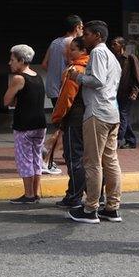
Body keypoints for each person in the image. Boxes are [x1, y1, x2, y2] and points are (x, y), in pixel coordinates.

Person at [67, 20, 123, 224]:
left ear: (98, 36)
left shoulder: (98, 53)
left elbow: (97, 81)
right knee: (110, 160)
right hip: (111, 112)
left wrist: (77, 76)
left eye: (88, 34)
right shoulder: (112, 56)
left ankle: (91, 208)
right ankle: (112, 207)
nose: (84, 37)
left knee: (92, 161)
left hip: (97, 112)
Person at [3, 45, 47, 204]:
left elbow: (7, 100)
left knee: (25, 159)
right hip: (40, 123)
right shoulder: (37, 76)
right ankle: (35, 192)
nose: (10, 63)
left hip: (24, 124)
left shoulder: (18, 78)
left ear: (21, 61)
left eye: (13, 60)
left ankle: (28, 194)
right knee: (36, 158)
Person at [54, 37, 90, 208]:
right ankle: (95, 194)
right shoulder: (92, 67)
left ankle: (74, 196)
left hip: (74, 117)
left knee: (74, 157)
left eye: (73, 49)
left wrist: (58, 117)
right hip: (90, 117)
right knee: (90, 158)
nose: (68, 53)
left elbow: (66, 98)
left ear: (83, 51)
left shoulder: (74, 70)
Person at [42, 14, 83, 106]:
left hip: (52, 87)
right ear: (77, 28)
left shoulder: (55, 41)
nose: (83, 30)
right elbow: (71, 64)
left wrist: (55, 72)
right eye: (82, 27)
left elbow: (44, 64)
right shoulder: (72, 42)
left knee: (57, 116)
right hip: (63, 88)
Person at [111, 36, 139, 149]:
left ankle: (118, 139)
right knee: (124, 116)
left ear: (122, 45)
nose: (113, 46)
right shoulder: (114, 58)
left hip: (127, 92)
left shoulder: (130, 58)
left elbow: (137, 75)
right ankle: (131, 140)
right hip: (116, 92)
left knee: (122, 115)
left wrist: (135, 91)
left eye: (115, 44)